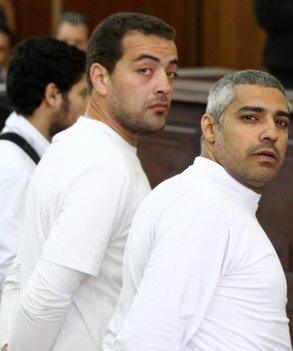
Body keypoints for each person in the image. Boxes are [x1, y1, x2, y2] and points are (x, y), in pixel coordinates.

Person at [3, 12, 178, 351]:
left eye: (171, 72)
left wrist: (9, 341)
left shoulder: (69, 144)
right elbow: (46, 294)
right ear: (100, 77)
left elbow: (21, 270)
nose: (164, 86)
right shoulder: (106, 166)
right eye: (145, 70)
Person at [103, 70, 292, 350]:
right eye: (251, 117)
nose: (271, 133)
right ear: (210, 127)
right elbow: (146, 339)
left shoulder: (209, 198)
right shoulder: (202, 205)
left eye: (281, 122)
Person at [0, 37, 86, 302]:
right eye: (82, 94)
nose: (88, 107)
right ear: (52, 95)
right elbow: (10, 272)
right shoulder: (15, 168)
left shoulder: (27, 157)